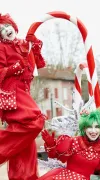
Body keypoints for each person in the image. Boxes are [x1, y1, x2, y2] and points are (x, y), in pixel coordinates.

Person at [0, 13, 46, 180]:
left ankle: (27, 177)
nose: (6, 30)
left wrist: (35, 46)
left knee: (25, 143)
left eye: (7, 26)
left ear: (13, 26)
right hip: (11, 91)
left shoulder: (23, 44)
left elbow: (38, 65)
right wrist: (15, 68)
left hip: (24, 92)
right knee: (35, 120)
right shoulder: (1, 48)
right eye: (1, 30)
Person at [38, 109, 100, 180]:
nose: (93, 131)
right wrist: (51, 144)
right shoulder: (74, 141)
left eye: (97, 127)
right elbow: (57, 156)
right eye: (89, 127)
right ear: (84, 129)